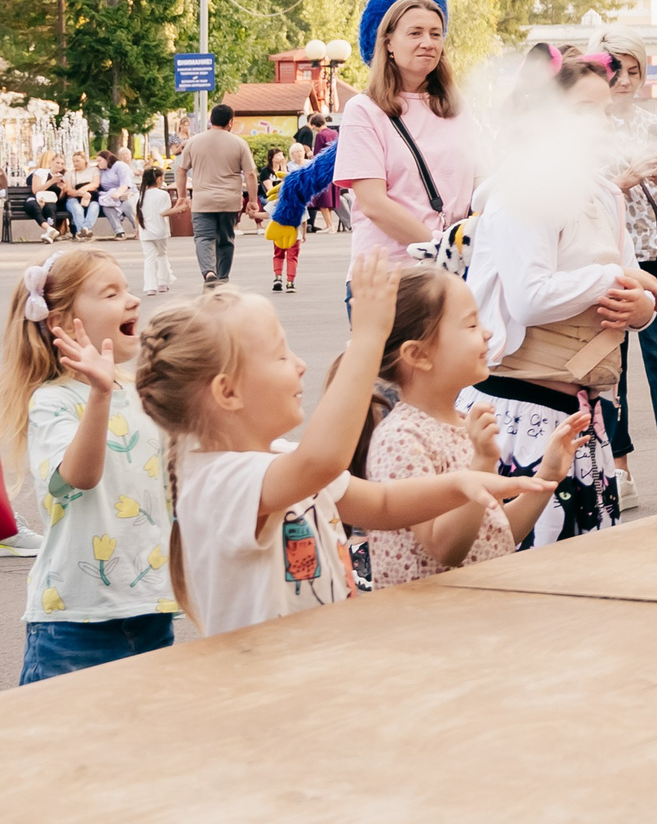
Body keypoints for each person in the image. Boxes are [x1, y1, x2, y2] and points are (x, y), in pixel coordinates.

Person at [133, 254, 532, 637]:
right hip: (265, 686)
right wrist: (368, 338)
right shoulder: (219, 480)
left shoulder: (283, 459)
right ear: (228, 392)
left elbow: (384, 505)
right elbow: (322, 460)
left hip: (319, 668)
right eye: (279, 355)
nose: (301, 363)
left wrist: (462, 484)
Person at [466, 58, 657, 540]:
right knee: (520, 557)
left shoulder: (604, 194)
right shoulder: (522, 187)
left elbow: (635, 284)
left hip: (588, 409)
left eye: (604, 109)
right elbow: (530, 298)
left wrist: (643, 310)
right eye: (582, 109)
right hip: (520, 405)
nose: (601, 121)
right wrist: (613, 277)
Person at [3, 250, 177, 683]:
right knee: (59, 745)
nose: (133, 300)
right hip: (74, 621)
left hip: (150, 608)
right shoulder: (54, 400)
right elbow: (78, 478)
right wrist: (98, 395)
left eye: (128, 289)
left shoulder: (140, 391)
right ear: (61, 321)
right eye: (112, 293)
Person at [359, 268, 588, 585]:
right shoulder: (402, 438)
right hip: (430, 622)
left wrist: (547, 476)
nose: (487, 333)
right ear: (419, 354)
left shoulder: (463, 423)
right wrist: (480, 465)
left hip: (474, 611)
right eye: (470, 324)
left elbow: (495, 534)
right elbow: (446, 549)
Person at [338, 0, 478, 268]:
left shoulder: (456, 107)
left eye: (435, 34)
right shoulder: (365, 110)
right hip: (390, 274)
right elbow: (373, 203)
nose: (427, 42)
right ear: (387, 42)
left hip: (454, 273)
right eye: (414, 33)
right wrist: (442, 248)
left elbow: (479, 182)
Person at [600, 27, 657, 488]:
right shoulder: (581, 126)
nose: (623, 79)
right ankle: (619, 469)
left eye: (633, 70)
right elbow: (580, 198)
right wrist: (629, 178)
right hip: (607, 258)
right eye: (615, 69)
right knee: (610, 367)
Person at [176, 107, 260, 287]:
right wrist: (253, 201)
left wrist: (182, 196)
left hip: (202, 201)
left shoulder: (194, 142)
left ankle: (209, 272)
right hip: (229, 202)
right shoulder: (239, 143)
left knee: (203, 238)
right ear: (230, 122)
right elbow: (250, 174)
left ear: (211, 120)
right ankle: (223, 277)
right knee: (226, 239)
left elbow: (181, 169)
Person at [137, 167, 177, 295]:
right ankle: (162, 283)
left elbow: (137, 214)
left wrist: (136, 229)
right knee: (161, 255)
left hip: (145, 231)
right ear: (159, 179)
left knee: (148, 258)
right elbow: (164, 212)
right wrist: (180, 208)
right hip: (160, 231)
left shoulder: (140, 195)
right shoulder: (163, 194)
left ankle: (150, 286)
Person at [97, 150, 137, 239]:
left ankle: (138, 228)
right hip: (110, 195)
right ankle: (119, 231)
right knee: (106, 207)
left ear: (106, 159)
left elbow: (126, 183)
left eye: (100, 160)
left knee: (128, 205)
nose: (98, 163)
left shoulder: (120, 166)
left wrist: (118, 193)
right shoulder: (101, 171)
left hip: (127, 193)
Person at [62, 152, 100, 239]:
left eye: (78, 161)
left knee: (94, 207)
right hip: (74, 198)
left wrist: (84, 190)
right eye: (74, 161)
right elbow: (69, 191)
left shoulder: (93, 170)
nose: (75, 164)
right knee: (77, 209)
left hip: (91, 198)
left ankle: (83, 229)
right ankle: (83, 230)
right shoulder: (69, 173)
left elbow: (95, 184)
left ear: (85, 160)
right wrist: (80, 193)